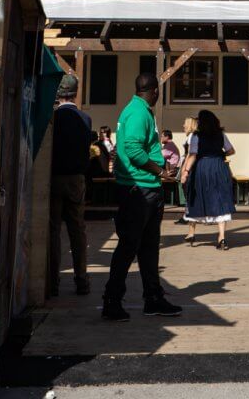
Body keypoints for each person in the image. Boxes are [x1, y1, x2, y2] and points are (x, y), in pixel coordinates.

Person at [102, 73, 182, 321]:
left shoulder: (137, 110)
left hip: (143, 187)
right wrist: (160, 171)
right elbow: (135, 150)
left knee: (147, 247)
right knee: (129, 246)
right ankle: (112, 301)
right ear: (155, 91)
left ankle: (153, 298)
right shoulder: (138, 113)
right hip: (139, 188)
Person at [48, 75, 94, 298]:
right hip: (76, 178)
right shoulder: (85, 119)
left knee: (53, 231)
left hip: (54, 176)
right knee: (78, 231)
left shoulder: (53, 118)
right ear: (75, 92)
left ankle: (52, 281)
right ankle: (81, 279)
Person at [181, 110, 236, 248]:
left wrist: (185, 171)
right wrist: (219, 153)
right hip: (218, 166)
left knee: (200, 196)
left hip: (202, 167)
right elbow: (231, 150)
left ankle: (192, 231)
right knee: (220, 198)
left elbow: (193, 154)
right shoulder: (220, 134)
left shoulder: (196, 136)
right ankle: (222, 238)